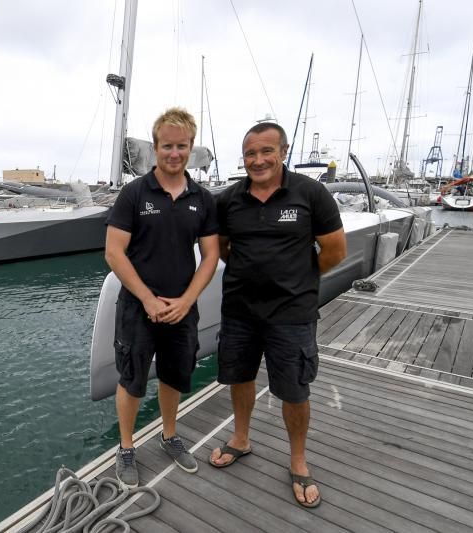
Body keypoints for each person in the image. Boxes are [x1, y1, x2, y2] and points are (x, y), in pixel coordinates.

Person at [209, 122, 346, 509]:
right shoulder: (230, 200)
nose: (258, 160)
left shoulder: (311, 193)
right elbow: (222, 248)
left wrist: (300, 278)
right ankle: (241, 438)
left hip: (292, 314)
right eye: (250, 153)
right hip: (240, 310)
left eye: (266, 151)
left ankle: (298, 459)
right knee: (240, 377)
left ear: (283, 151)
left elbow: (335, 250)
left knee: (294, 390)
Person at [105, 107, 219, 488]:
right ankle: (125, 447)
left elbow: (211, 256)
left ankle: (169, 436)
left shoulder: (202, 199)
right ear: (155, 148)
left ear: (190, 147)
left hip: (181, 309)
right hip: (139, 308)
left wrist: (186, 301)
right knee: (132, 378)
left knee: (174, 376)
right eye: (167, 146)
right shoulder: (134, 194)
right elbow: (114, 253)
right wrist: (149, 300)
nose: (175, 153)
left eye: (182, 146)